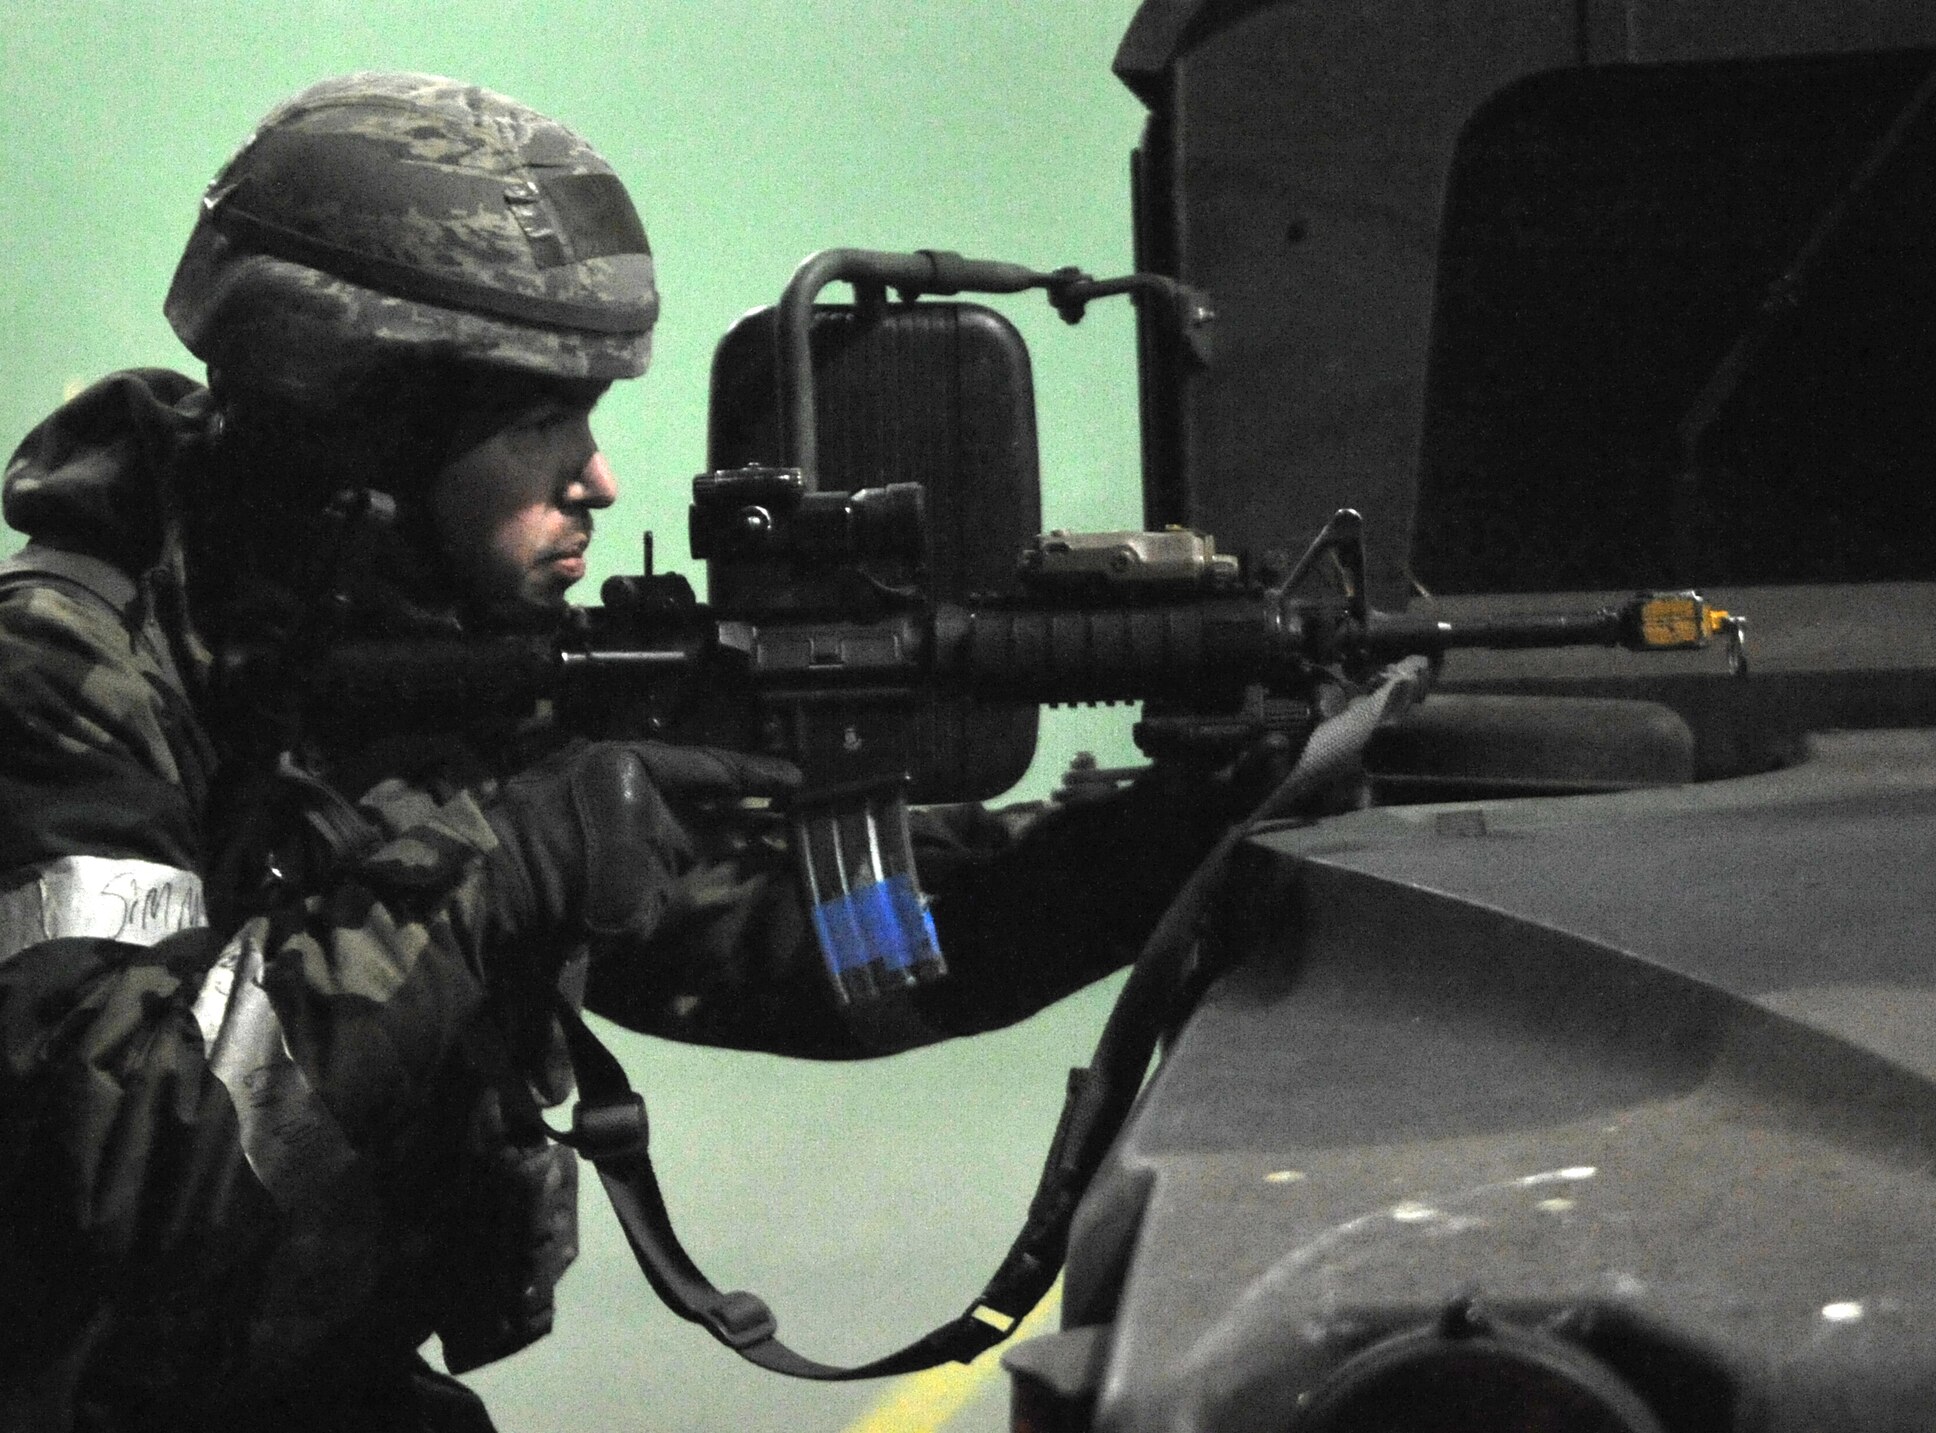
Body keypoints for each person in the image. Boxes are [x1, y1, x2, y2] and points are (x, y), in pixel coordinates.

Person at [0, 74, 1230, 1432]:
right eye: (542, 423)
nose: (598, 479)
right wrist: (497, 868)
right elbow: (119, 1175)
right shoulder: (70, 684)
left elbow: (801, 953)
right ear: (369, 432)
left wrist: (1151, 850)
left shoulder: (429, 656)